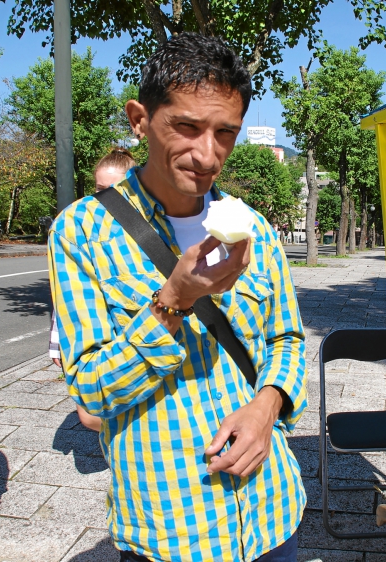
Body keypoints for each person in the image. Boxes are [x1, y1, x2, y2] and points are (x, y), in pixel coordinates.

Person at [48, 33, 306, 561]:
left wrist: (267, 405)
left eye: (226, 134)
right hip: (170, 529)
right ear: (140, 119)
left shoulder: (254, 228)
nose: (207, 154)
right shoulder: (81, 232)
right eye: (186, 127)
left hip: (273, 514)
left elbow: (287, 339)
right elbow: (92, 393)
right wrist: (173, 300)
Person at [48, 147, 136, 432]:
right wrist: (57, 342)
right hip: (91, 335)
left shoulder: (148, 228)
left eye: (116, 189)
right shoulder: (77, 227)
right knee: (90, 416)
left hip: (130, 338)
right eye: (100, 189)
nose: (107, 198)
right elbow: (66, 295)